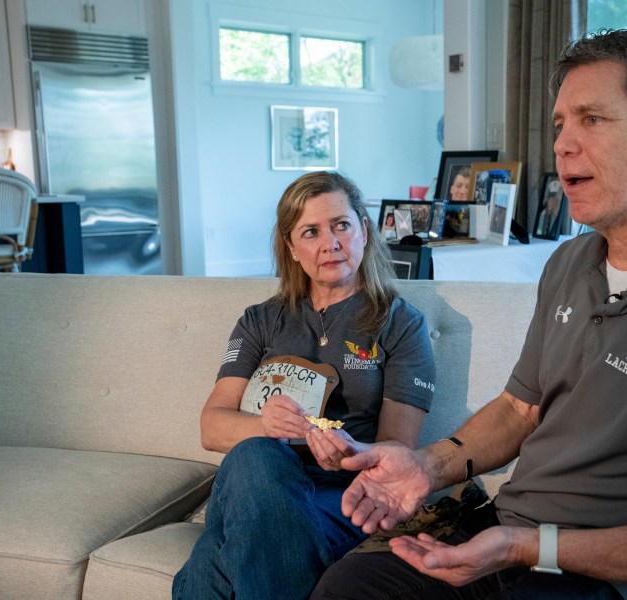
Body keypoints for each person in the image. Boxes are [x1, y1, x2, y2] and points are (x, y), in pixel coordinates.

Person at [310, 29, 627, 600]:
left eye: (593, 120)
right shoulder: (570, 260)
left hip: (605, 579)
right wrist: (426, 466)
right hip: (509, 538)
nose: (563, 145)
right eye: (560, 124)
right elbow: (520, 408)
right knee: (350, 586)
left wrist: (530, 547)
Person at [173, 171, 436, 599]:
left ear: (363, 231)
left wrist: (350, 453)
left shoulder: (401, 324)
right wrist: (270, 427)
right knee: (257, 456)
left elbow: (397, 449)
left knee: (213, 559)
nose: (330, 243)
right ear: (292, 248)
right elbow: (212, 426)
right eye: (310, 232)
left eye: (341, 225)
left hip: (342, 494)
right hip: (250, 481)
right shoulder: (259, 320)